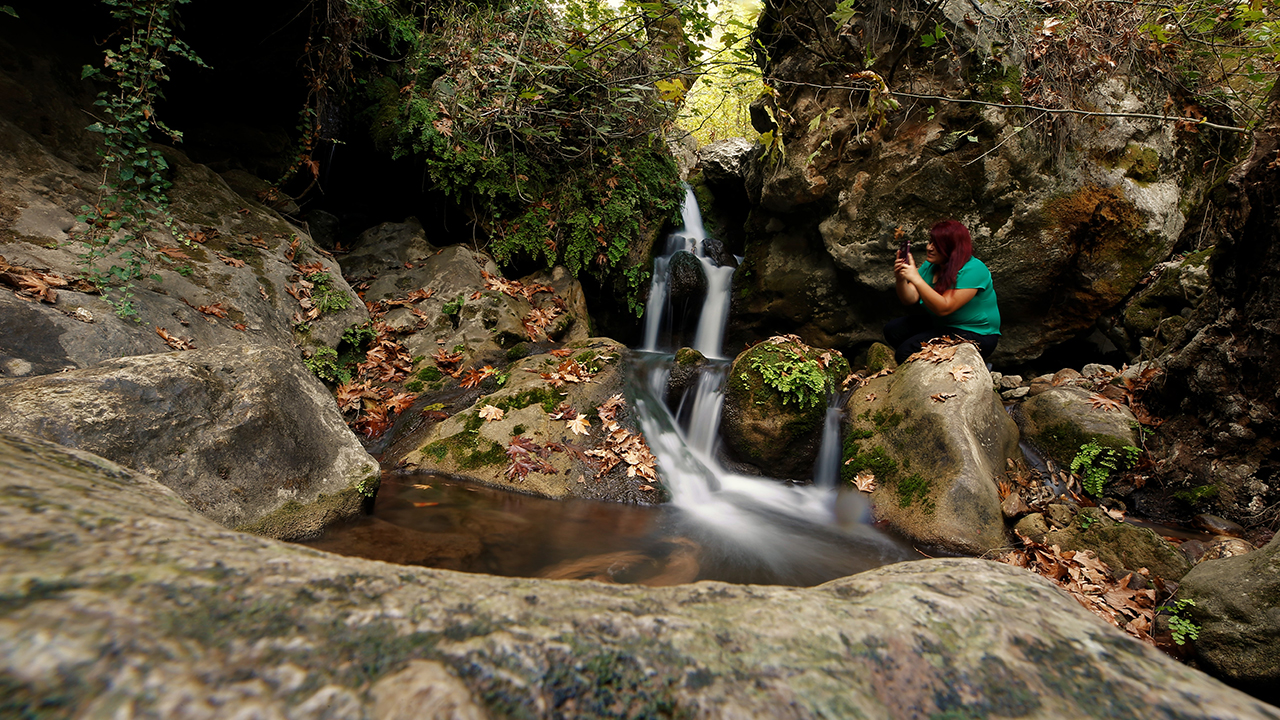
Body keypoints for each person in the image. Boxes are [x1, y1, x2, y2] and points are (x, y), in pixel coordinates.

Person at [885, 219, 1000, 364]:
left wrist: (916, 278)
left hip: (976, 335)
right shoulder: (931, 265)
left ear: (952, 248)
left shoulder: (974, 269)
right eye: (930, 242)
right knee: (893, 330)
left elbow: (944, 308)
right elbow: (910, 298)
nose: (929, 248)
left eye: (937, 245)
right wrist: (901, 279)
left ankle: (970, 366)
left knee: (905, 352)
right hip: (944, 325)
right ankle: (937, 363)